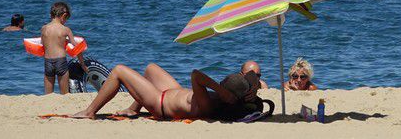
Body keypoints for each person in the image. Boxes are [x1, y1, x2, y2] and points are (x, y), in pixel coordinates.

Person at [71, 62, 262, 121]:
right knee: (150, 69)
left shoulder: (209, 104)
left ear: (226, 96)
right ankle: (134, 108)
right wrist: (225, 91)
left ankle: (90, 112)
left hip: (160, 102)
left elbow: (196, 74)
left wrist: (220, 90)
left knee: (119, 70)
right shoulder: (219, 99)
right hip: (175, 92)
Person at [41, 2, 87, 94]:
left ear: (51, 14)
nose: (65, 21)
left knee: (48, 96)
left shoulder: (44, 28)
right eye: (66, 19)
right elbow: (76, 47)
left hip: (48, 62)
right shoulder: (65, 29)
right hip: (60, 62)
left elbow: (43, 45)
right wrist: (82, 64)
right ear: (64, 15)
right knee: (64, 94)